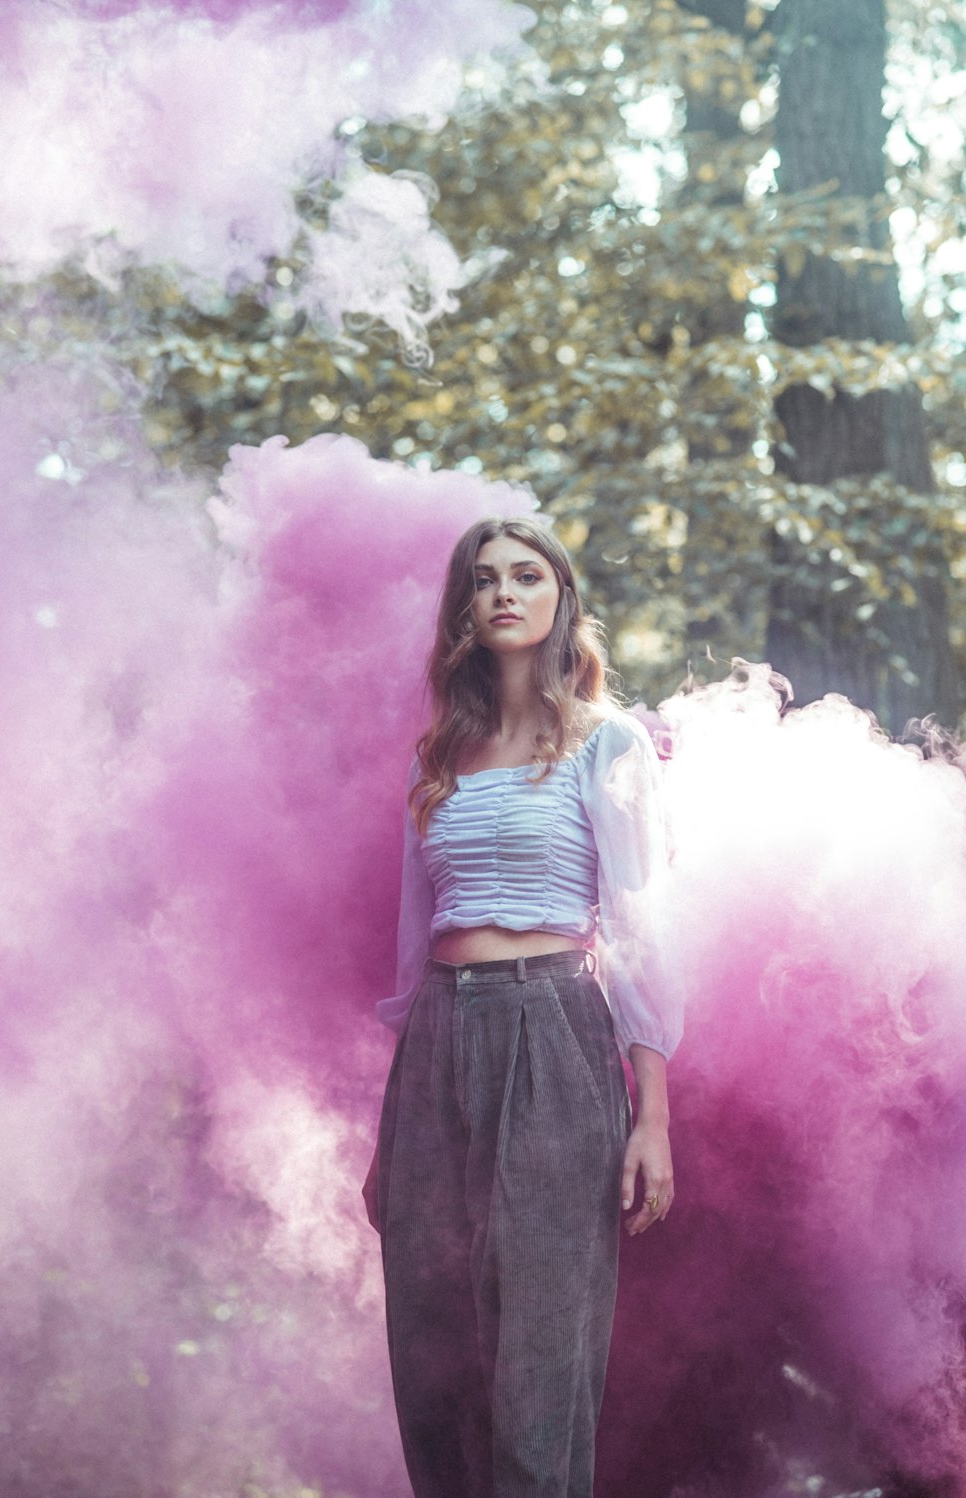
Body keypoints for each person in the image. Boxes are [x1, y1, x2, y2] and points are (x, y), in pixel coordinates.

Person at [362, 516, 681, 1498]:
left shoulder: (606, 742)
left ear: (560, 601)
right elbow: (416, 952)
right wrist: (392, 1128)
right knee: (432, 1345)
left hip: (554, 1028)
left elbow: (639, 930)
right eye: (485, 579)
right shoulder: (438, 761)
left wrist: (651, 1115)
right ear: (464, 608)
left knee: (539, 1350)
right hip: (436, 1044)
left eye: (526, 576)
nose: (504, 592)